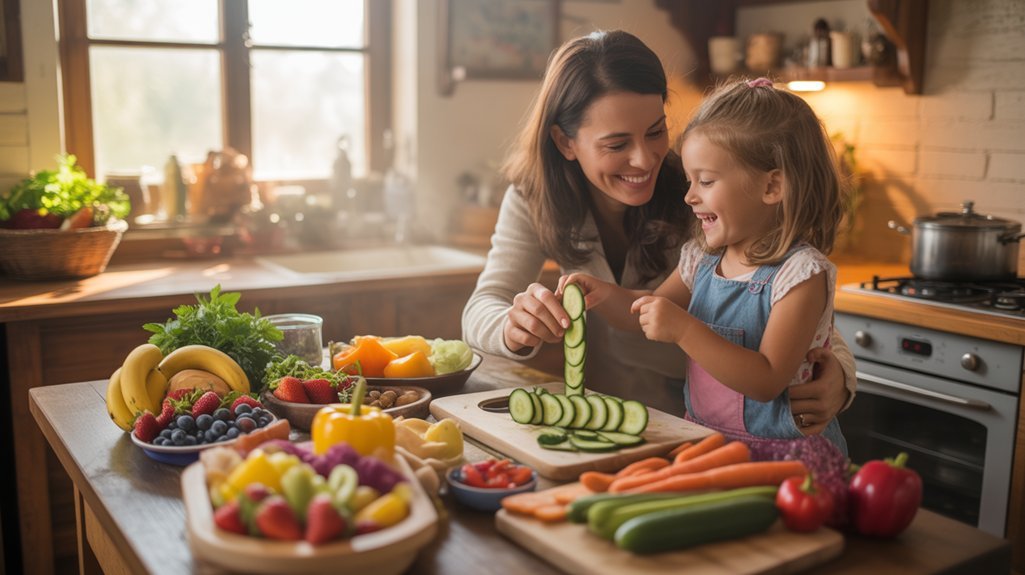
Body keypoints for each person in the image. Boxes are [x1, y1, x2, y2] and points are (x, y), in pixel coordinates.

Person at [461, 30, 855, 429]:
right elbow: (484, 305)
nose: (645, 158)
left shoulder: (711, 196)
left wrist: (840, 374)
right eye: (616, 145)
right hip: (601, 417)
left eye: (655, 131)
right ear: (565, 142)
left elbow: (796, 308)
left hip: (702, 423)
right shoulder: (536, 196)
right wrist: (513, 327)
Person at [560, 77, 848, 451]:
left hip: (782, 457)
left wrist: (684, 330)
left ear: (772, 187)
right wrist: (603, 293)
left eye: (706, 181)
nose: (690, 196)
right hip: (707, 443)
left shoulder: (800, 276)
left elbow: (767, 380)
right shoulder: (703, 259)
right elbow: (641, 312)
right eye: (691, 180)